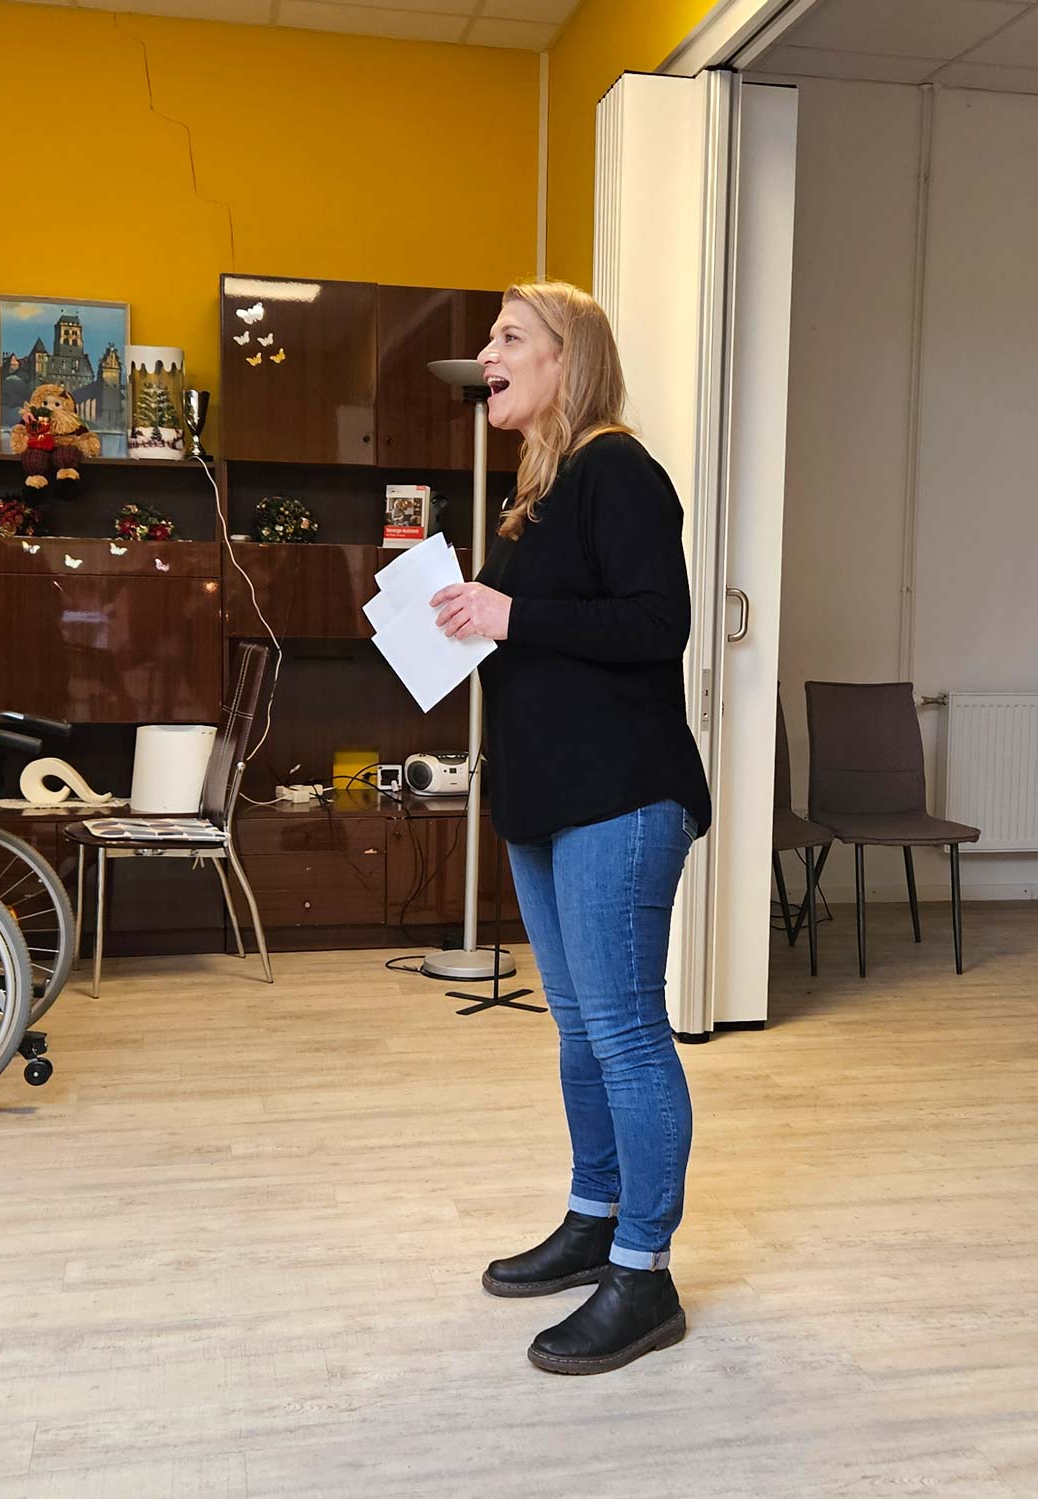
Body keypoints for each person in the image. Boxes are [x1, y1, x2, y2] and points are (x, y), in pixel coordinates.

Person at [430, 281, 712, 1376]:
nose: (487, 353)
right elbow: (542, 637)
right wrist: (463, 620)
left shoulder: (617, 469)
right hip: (549, 799)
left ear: (567, 359)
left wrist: (513, 613)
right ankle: (596, 1216)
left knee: (626, 1031)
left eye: (509, 337)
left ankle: (645, 1271)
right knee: (580, 1032)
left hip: (620, 795)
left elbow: (657, 623)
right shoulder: (538, 493)